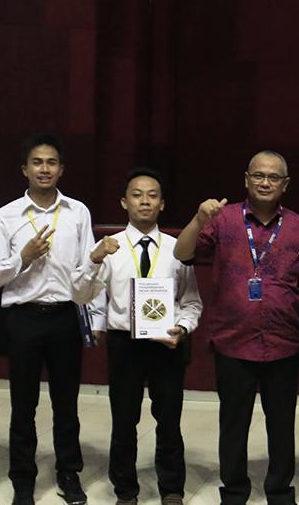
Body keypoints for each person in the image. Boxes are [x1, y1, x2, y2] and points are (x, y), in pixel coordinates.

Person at [172, 150, 299, 505]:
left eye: (273, 177)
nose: (265, 182)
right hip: (233, 341)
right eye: (258, 175)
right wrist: (197, 218)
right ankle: (234, 491)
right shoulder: (223, 219)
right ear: (246, 179)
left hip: (283, 342)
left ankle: (280, 492)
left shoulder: (298, 226)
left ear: (285, 184)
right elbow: (181, 253)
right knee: (233, 424)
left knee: (281, 425)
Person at [0, 134, 104, 505]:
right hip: (24, 319)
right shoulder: (5, 216)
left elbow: (88, 270)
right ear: (24, 169)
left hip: (65, 316)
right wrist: (24, 256)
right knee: (24, 404)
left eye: (51, 162)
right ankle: (23, 478)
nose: (44, 169)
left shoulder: (77, 212)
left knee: (66, 402)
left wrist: (94, 318)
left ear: (61, 169)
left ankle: (69, 473)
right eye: (37, 162)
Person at [73, 168, 202, 505]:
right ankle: (125, 491)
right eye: (137, 194)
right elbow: (82, 295)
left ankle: (172, 489)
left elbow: (191, 303)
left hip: (167, 344)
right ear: (123, 202)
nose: (145, 201)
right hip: (124, 344)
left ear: (162, 204)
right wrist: (93, 260)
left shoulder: (178, 250)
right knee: (125, 420)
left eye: (152, 195)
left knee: (169, 420)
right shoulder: (110, 248)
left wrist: (183, 328)